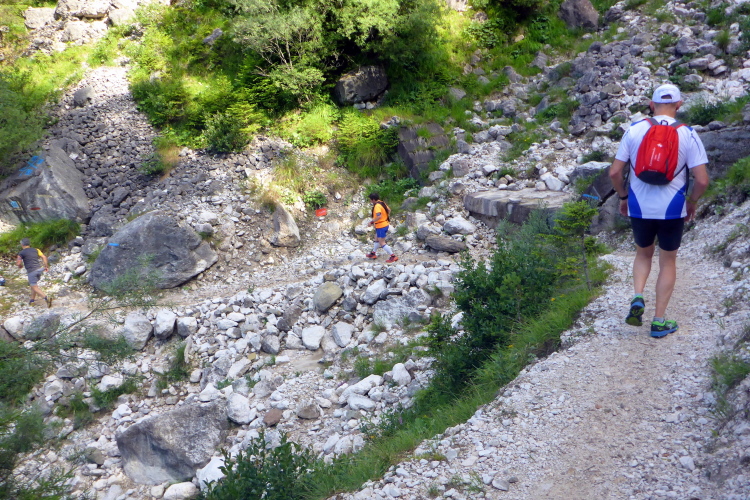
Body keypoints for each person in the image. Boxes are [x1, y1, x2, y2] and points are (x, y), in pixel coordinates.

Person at [609, 83, 709, 338]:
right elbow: (702, 180)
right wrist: (692, 202)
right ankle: (659, 322)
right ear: (679, 105)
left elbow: (614, 172)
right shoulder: (688, 133)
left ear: (651, 105)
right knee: (667, 261)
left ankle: (638, 296)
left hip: (639, 207)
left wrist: (624, 197)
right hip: (672, 209)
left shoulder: (634, 130)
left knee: (643, 254)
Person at [16, 238, 52, 307]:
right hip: (39, 270)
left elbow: (18, 263)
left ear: (22, 244)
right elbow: (44, 257)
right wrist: (46, 266)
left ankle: (46, 298)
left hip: (31, 271)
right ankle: (32, 301)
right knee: (33, 285)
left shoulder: (21, 253)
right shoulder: (36, 250)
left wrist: (20, 266)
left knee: (34, 287)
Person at [366, 192, 398, 263]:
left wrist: (371, 222)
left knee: (382, 242)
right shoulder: (382, 203)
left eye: (370, 200)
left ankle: (393, 256)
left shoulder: (377, 206)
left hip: (381, 226)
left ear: (373, 199)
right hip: (385, 224)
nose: (370, 201)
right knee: (376, 238)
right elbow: (389, 210)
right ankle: (373, 253)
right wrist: (385, 217)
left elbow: (379, 216)